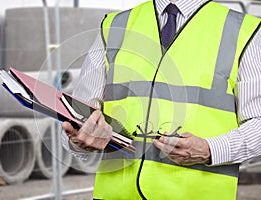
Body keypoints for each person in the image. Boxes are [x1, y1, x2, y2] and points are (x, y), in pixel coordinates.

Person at [62, 0, 261, 199]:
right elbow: (76, 119)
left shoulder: (244, 31)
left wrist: (211, 150)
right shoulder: (114, 26)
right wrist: (79, 139)